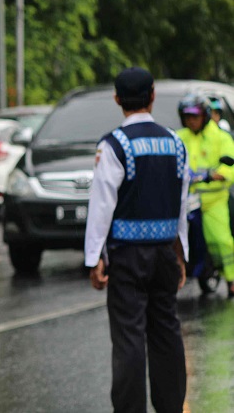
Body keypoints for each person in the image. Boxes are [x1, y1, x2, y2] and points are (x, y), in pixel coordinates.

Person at [84, 67, 189, 413]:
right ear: (153, 96)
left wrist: (94, 258)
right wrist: (181, 253)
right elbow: (182, 203)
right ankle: (171, 406)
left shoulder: (115, 144)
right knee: (166, 332)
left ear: (117, 100)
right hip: (163, 253)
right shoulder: (175, 143)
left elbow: (102, 206)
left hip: (127, 257)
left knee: (129, 338)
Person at [177, 94, 234, 297]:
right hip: (186, 201)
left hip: (213, 200)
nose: (191, 120)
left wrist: (215, 175)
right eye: (187, 116)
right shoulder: (180, 137)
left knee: (221, 241)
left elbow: (230, 168)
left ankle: (231, 279)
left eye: (195, 116)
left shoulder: (221, 137)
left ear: (205, 116)